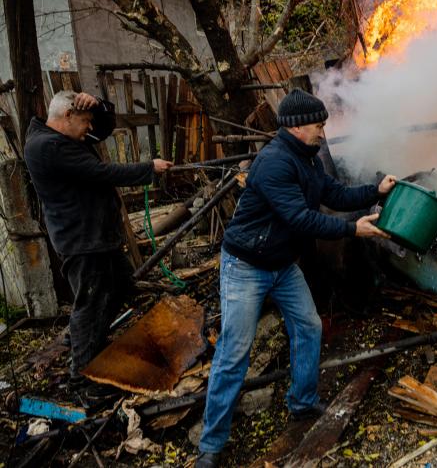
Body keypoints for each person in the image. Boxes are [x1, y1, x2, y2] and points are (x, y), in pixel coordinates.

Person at [196, 89, 396, 467]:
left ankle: (302, 403)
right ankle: (211, 444)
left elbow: (333, 194)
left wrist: (376, 191)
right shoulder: (273, 164)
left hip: (282, 265)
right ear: (298, 126)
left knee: (308, 327)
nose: (323, 130)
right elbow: (301, 219)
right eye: (319, 124)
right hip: (246, 267)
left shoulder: (307, 160)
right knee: (234, 352)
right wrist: (355, 230)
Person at [23, 90, 173, 400]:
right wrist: (149, 168)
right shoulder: (48, 147)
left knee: (120, 287)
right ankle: (81, 380)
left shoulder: (63, 137)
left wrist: (98, 106)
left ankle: (94, 343)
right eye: (85, 121)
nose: (90, 129)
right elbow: (101, 172)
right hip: (81, 240)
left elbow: (102, 129)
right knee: (88, 304)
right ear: (67, 117)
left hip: (97, 236)